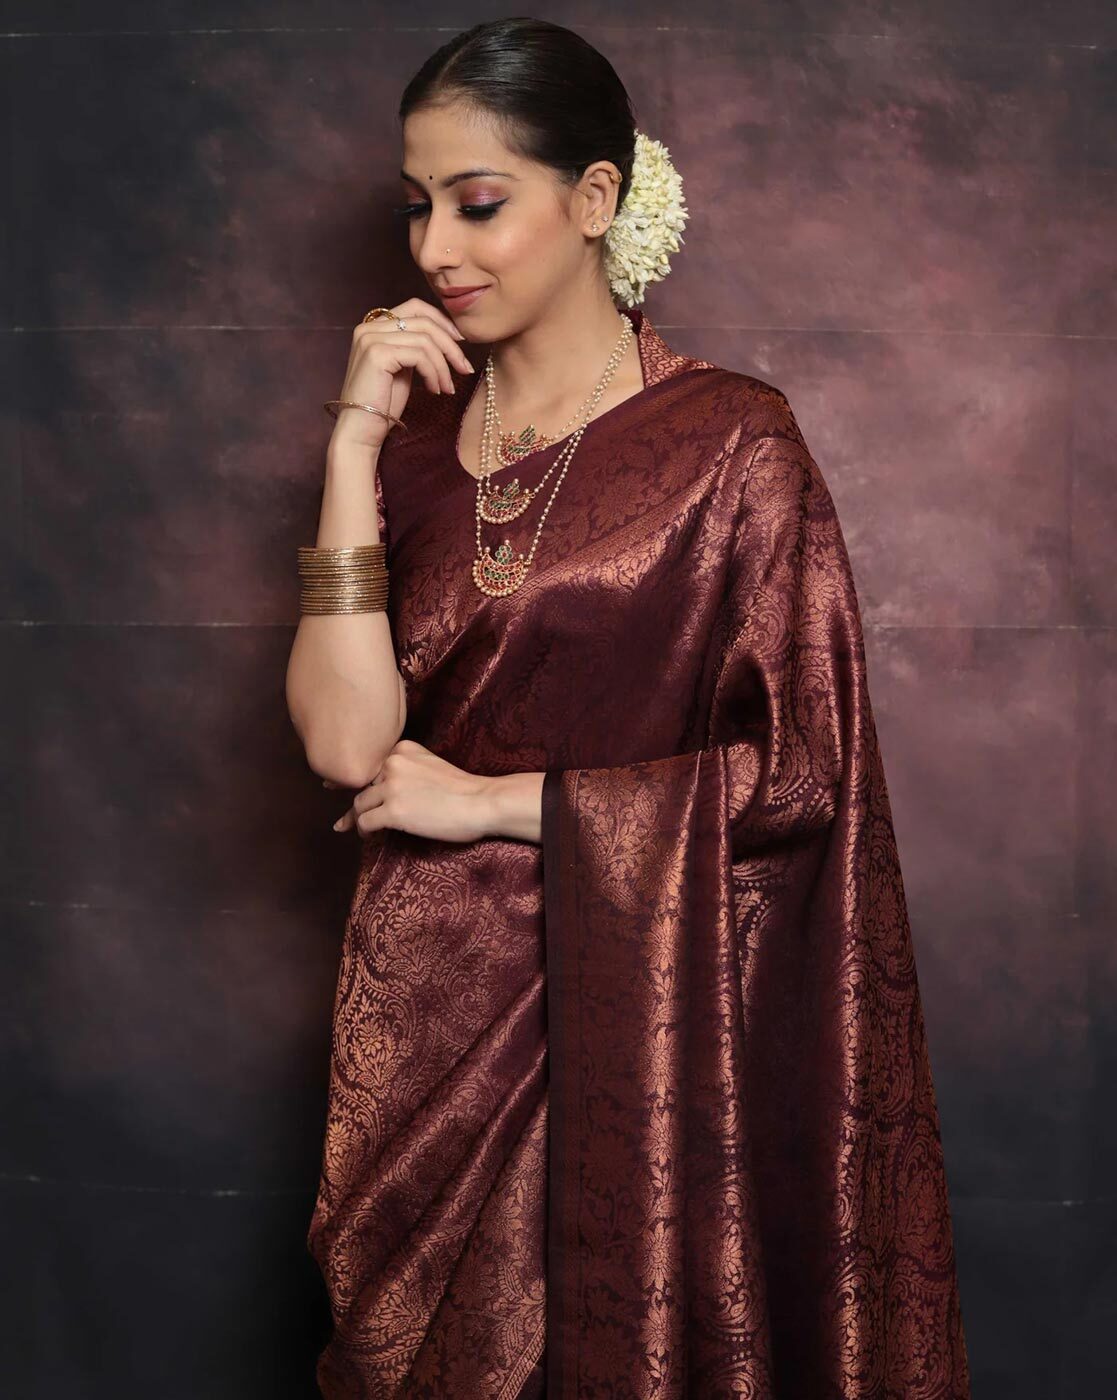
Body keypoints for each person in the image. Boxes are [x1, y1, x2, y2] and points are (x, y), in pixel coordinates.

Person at [285, 16, 972, 1400]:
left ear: (594, 199)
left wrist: (486, 802)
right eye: (418, 207)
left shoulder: (729, 440)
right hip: (423, 1015)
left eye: (479, 204)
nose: (435, 252)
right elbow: (347, 748)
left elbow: (801, 771)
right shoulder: (411, 460)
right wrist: (354, 437)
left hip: (648, 1019)